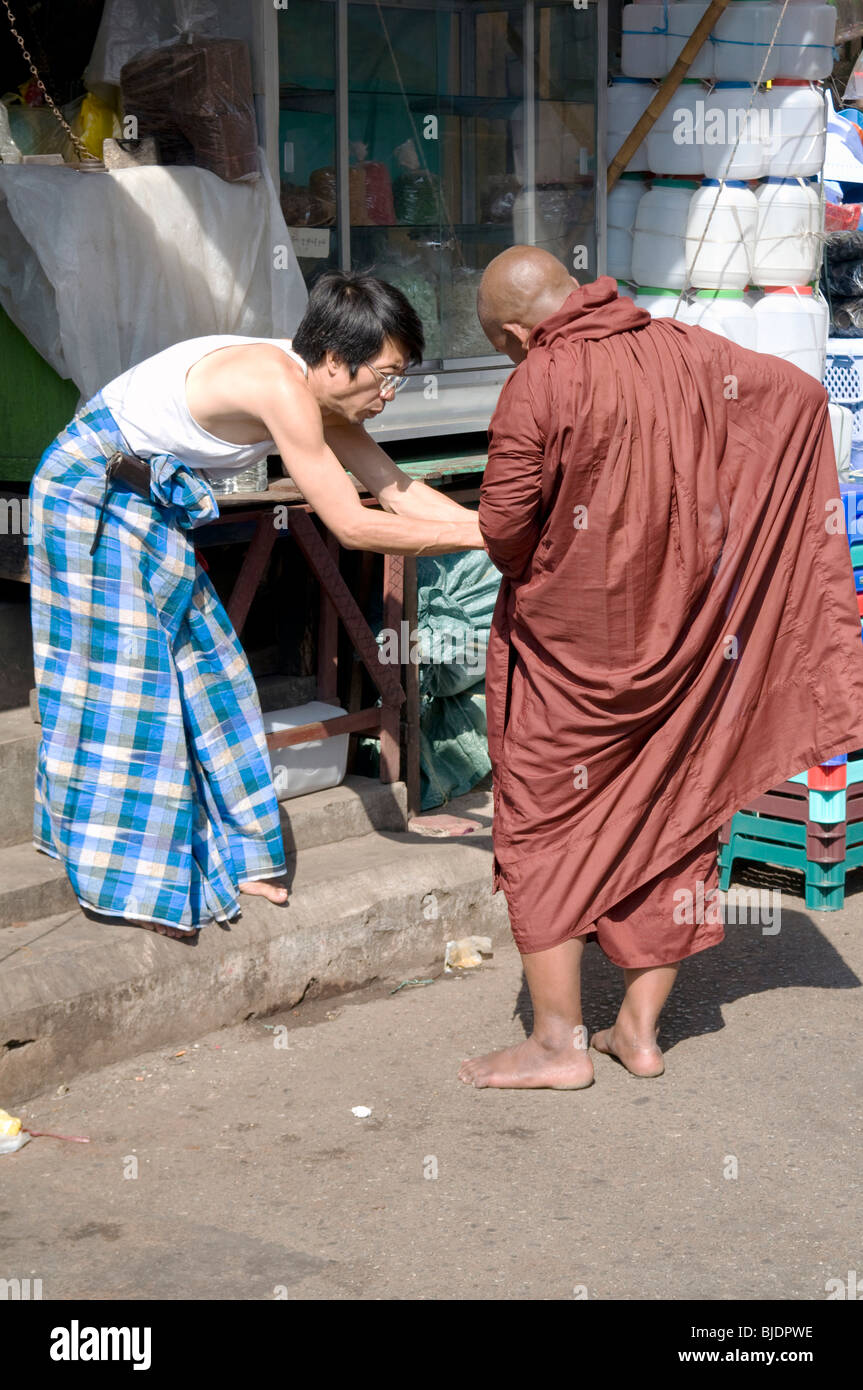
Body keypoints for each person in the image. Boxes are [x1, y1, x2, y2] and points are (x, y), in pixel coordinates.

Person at [458, 246, 863, 1089]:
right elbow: (797, 397)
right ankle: (637, 1034)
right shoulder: (691, 348)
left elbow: (502, 529)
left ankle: (557, 1044)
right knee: (671, 814)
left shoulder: (542, 377)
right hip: (687, 643)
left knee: (540, 826)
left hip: (571, 656)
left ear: (512, 330)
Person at [29, 271, 483, 943]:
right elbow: (352, 526)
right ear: (333, 360)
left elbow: (396, 492)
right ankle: (122, 879)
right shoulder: (280, 387)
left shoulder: (327, 395)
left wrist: (500, 538)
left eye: (400, 379)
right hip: (85, 495)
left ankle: (238, 856)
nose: (388, 394)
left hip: (146, 506)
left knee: (214, 676)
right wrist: (493, 535)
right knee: (126, 691)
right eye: (384, 376)